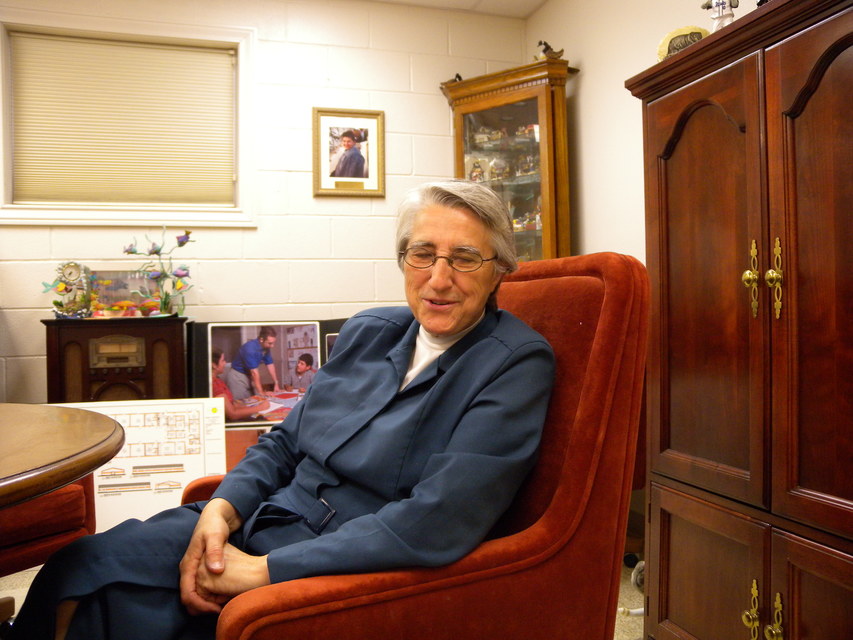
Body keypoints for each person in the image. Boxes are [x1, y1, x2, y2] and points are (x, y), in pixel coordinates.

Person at [8, 179, 555, 640]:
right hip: (260, 516)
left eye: (465, 258)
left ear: (499, 270)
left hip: (337, 560)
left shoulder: (515, 362)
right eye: (423, 254)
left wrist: (263, 572)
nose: (438, 278)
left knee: (123, 615)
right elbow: (286, 442)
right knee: (78, 568)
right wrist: (222, 510)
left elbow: (439, 519)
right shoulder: (370, 331)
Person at [211, 347, 270, 422]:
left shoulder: (218, 379)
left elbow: (231, 404)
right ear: (214, 365)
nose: (225, 363)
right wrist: (260, 407)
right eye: (222, 361)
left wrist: (253, 406)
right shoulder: (214, 385)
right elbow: (232, 414)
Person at [224, 326, 282, 400]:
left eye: (273, 343)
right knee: (241, 402)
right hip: (238, 376)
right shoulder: (250, 348)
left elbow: (270, 365)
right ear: (261, 339)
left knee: (254, 400)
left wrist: (276, 383)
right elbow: (254, 373)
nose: (272, 346)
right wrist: (261, 392)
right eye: (270, 343)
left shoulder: (266, 348)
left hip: (249, 376)